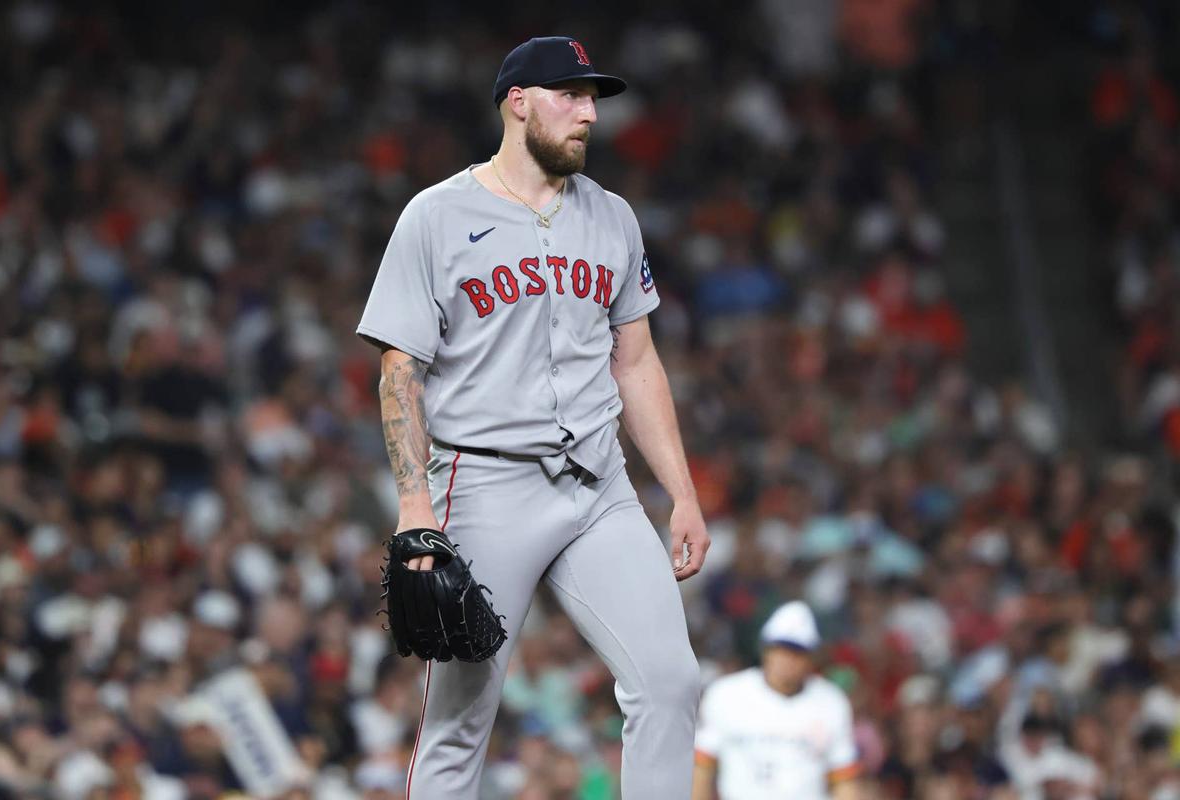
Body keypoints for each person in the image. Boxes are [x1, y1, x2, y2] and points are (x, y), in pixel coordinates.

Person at [356, 35, 710, 799]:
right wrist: (416, 507)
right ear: (518, 103)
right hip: (485, 487)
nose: (588, 114)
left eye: (593, 99)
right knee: (458, 722)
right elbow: (399, 370)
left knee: (671, 682)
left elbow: (638, 363)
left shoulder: (612, 217)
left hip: (598, 486)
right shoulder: (436, 216)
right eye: (570, 96)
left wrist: (681, 491)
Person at [694, 601, 862, 800]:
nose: (788, 659)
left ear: (812, 657)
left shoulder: (831, 702)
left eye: (798, 651)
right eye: (781, 648)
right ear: (765, 649)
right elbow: (702, 768)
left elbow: (844, 779)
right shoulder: (726, 694)